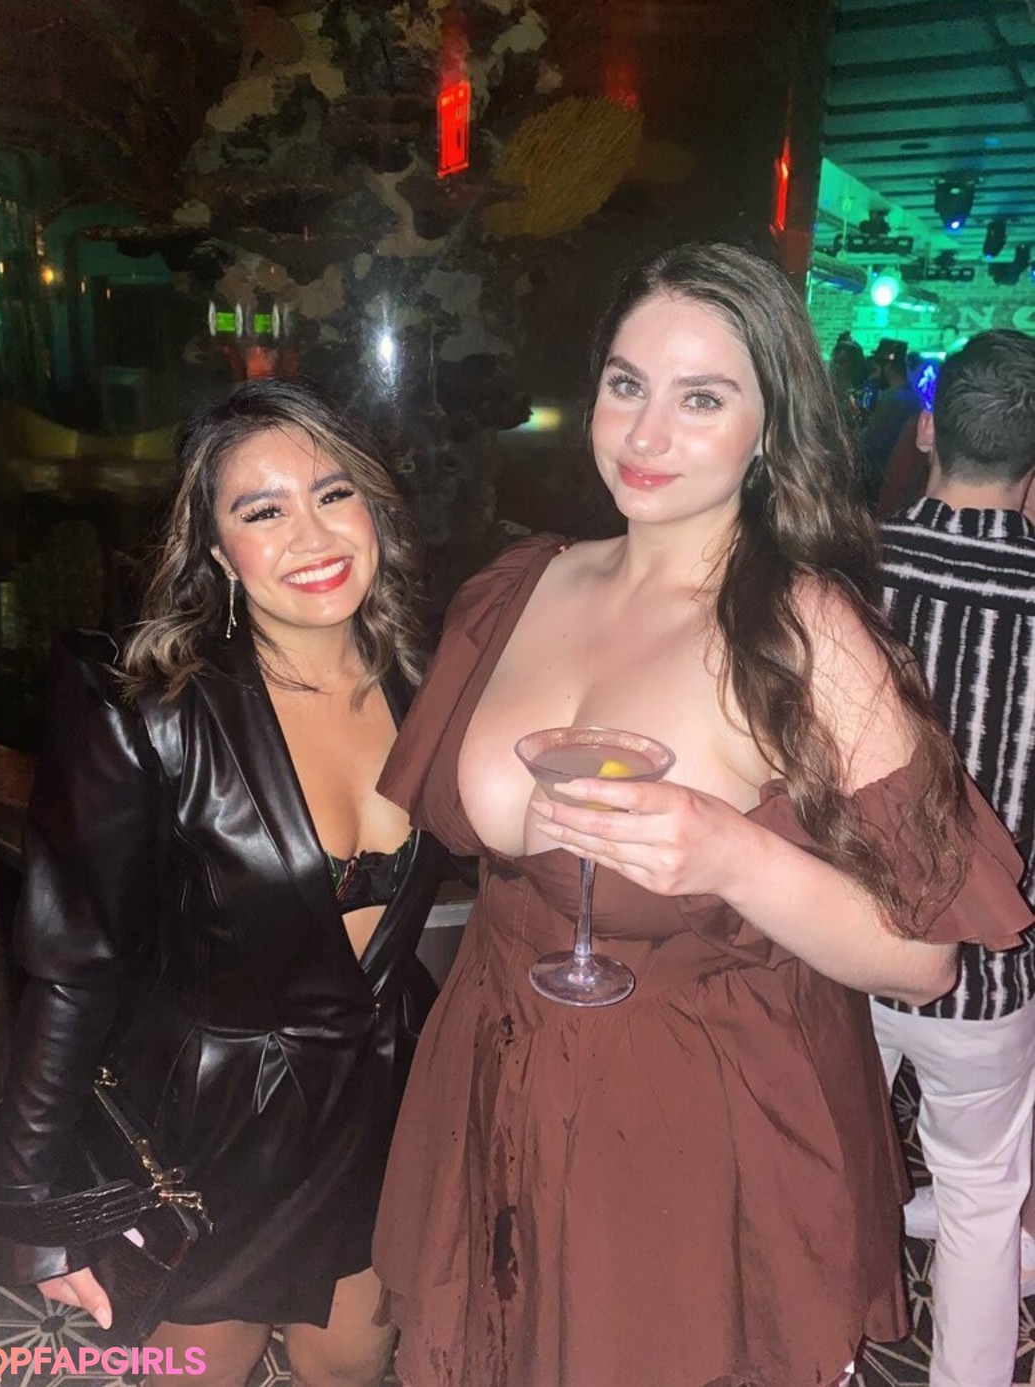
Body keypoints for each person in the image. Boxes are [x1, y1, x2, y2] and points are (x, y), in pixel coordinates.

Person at [367, 243, 1033, 1387]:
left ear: (770, 428)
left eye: (703, 398)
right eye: (626, 384)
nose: (646, 432)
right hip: (490, 1072)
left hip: (680, 1133)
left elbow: (924, 961)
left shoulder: (807, 632)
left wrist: (728, 853)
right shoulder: (522, 585)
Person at [0, 377, 445, 1387]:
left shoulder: (429, 679)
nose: (311, 535)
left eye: (333, 493)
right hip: (209, 1130)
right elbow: (75, 964)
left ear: (374, 508)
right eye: (262, 511)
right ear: (220, 551)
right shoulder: (150, 707)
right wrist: (34, 1199)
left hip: (377, 1111)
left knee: (350, 1360)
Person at [871, 329, 1035, 1387]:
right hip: (988, 974)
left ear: (928, 429)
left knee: (815, 1166)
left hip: (838, 947)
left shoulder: (848, 574)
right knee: (980, 1198)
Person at [861, 336, 921, 505]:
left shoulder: (892, 401)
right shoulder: (912, 397)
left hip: (883, 488)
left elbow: (870, 446)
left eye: (875, 369)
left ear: (886, 367)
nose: (872, 375)